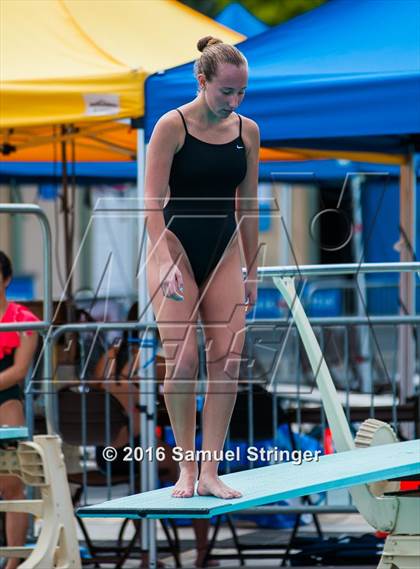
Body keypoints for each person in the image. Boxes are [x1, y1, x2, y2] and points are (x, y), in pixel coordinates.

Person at [145, 36, 260, 500]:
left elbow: (248, 205)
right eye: (224, 92)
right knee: (185, 360)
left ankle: (211, 471)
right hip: (171, 244)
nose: (232, 102)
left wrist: (252, 270)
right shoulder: (171, 126)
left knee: (227, 361)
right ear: (202, 81)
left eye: (240, 94)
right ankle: (186, 469)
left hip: (224, 248)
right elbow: (151, 201)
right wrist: (165, 257)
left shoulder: (247, 131)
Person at [94, 303, 216, 568]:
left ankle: (148, 554)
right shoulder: (152, 360)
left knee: (145, 481)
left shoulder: (108, 358)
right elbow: (180, 395)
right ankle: (202, 552)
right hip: (134, 450)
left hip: (103, 453)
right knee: (191, 472)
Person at [0, 251, 39, 569]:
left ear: (7, 279)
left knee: (12, 484)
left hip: (7, 400)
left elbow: (19, 370)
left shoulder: (23, 319)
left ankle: (14, 560)